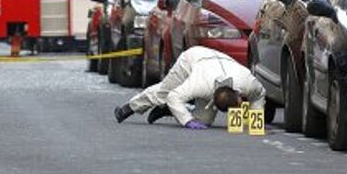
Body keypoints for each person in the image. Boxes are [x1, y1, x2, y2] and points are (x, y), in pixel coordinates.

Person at [113, 46, 266, 129]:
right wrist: (186, 120)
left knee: (204, 121)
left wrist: (255, 121)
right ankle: (129, 108)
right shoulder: (199, 85)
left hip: (220, 61)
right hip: (191, 60)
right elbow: (173, 96)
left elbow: (259, 95)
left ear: (239, 94)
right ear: (212, 100)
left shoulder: (247, 82)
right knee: (163, 93)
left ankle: (169, 110)